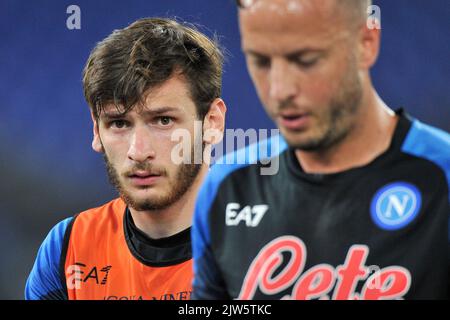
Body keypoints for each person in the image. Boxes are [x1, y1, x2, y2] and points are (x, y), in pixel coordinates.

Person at [192, 0, 450, 300]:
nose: (279, 90)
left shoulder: (442, 177)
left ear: (366, 42)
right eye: (261, 61)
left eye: (306, 60)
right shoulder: (225, 187)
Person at [25, 17, 226, 300]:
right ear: (96, 131)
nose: (138, 151)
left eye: (163, 120)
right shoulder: (68, 248)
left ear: (213, 123)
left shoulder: (271, 244)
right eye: (119, 123)